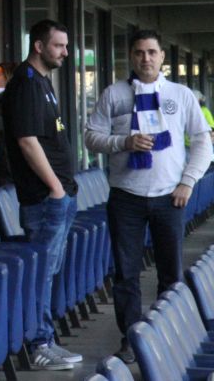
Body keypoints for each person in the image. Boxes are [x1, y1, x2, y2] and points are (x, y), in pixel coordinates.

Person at [85, 29, 213, 363]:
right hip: (125, 196)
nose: (146, 58)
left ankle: (168, 337)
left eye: (152, 52)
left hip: (169, 197)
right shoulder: (114, 94)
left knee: (170, 272)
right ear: (131, 56)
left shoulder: (180, 95)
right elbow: (91, 137)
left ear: (162, 57)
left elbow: (203, 141)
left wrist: (188, 182)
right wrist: (123, 142)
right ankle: (131, 339)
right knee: (126, 273)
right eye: (139, 52)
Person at [2, 19, 81, 370]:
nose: (65, 52)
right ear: (38, 46)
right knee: (41, 275)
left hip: (57, 197)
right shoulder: (25, 83)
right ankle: (38, 346)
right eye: (58, 46)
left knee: (49, 273)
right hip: (45, 199)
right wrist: (55, 188)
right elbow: (27, 141)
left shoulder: (43, 82)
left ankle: (46, 338)